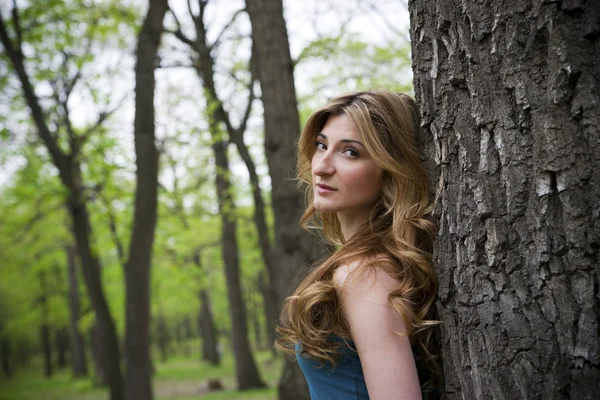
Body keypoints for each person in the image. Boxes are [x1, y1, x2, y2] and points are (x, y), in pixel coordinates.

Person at [275, 90, 439, 399]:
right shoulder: (368, 265)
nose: (321, 166)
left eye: (350, 152)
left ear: (391, 169)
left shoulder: (366, 273)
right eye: (321, 145)